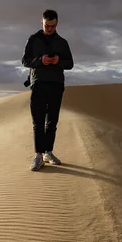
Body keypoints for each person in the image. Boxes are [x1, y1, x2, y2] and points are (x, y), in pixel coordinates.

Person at [21, 9, 74, 171]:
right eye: (47, 25)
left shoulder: (62, 42)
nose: (50, 29)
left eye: (53, 26)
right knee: (38, 121)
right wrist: (40, 60)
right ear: (41, 22)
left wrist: (58, 61)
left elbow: (70, 63)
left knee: (52, 121)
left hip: (56, 84)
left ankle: (48, 153)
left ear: (57, 24)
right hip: (38, 83)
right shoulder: (34, 39)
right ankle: (38, 155)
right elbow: (25, 61)